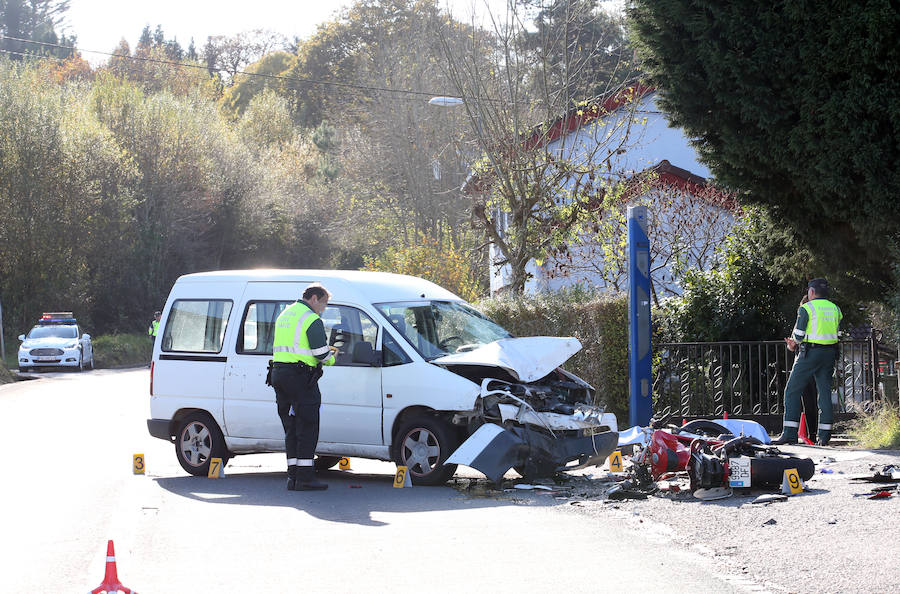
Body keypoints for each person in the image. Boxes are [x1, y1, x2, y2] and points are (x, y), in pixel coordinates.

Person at [269, 283, 336, 491]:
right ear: (314, 298)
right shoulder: (311, 318)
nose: (323, 309)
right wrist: (333, 357)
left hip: (279, 374)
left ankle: (293, 476)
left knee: (291, 427)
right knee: (307, 426)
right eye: (323, 303)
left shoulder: (285, 314)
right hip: (300, 377)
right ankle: (305, 478)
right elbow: (320, 353)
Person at [773, 278, 842, 445]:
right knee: (824, 392)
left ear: (811, 292)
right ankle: (824, 436)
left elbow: (798, 335)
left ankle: (789, 434)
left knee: (792, 390)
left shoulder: (807, 308)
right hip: (830, 353)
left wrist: (793, 344)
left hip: (810, 353)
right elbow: (837, 334)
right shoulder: (835, 309)